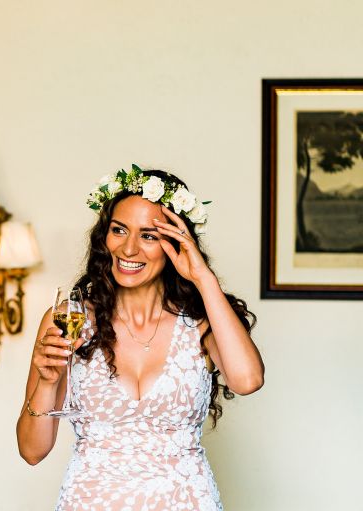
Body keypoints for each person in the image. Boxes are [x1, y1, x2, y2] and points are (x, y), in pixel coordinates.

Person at [16, 165, 264, 510]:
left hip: (187, 502)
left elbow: (248, 380)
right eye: (119, 230)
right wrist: (47, 383)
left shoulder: (202, 323)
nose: (129, 249)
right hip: (91, 501)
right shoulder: (68, 319)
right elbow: (31, 452)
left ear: (176, 243)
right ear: (105, 236)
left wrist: (202, 277)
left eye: (148, 235)